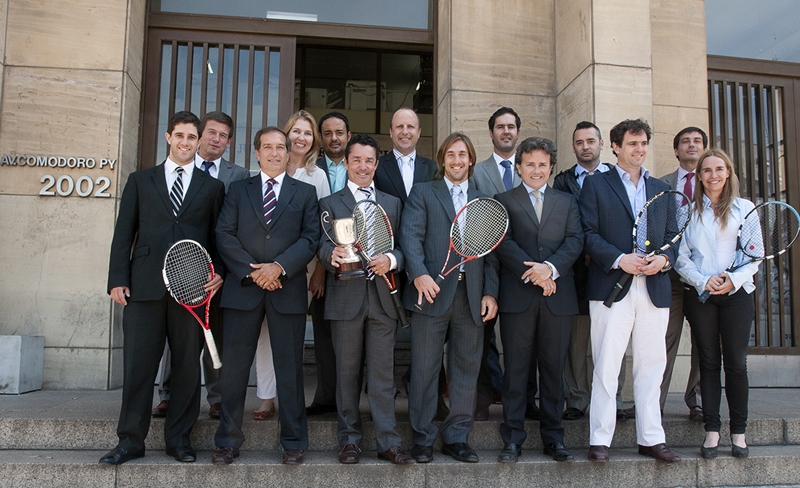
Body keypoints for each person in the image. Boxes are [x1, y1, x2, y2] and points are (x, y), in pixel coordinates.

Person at [101, 111, 226, 465]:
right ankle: (129, 441)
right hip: (144, 289)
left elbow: (218, 239)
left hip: (192, 291)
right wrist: (117, 279)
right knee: (139, 367)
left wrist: (220, 274)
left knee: (187, 368)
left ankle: (179, 440)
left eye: (192, 137)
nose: (186, 142)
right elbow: (123, 233)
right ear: (168, 138)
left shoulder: (212, 187)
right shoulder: (140, 181)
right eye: (180, 136)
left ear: (199, 141)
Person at [212, 126, 320, 465]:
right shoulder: (237, 189)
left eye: (280, 147)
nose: (274, 153)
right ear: (256, 153)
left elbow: (310, 238)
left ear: (289, 154)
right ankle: (227, 441)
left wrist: (278, 268)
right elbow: (224, 233)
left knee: (289, 370)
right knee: (233, 372)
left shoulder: (304, 193)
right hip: (243, 290)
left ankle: (293, 441)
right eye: (267, 147)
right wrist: (254, 271)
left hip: (286, 290)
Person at [580, 118, 681, 463]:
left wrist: (664, 261)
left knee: (652, 366)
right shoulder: (596, 185)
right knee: (607, 366)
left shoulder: (661, 190)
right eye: (632, 144)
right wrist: (619, 258)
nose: (639, 150)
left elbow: (674, 239)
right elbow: (587, 233)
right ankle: (600, 440)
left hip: (654, 287)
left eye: (643, 144)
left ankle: (651, 437)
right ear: (616, 147)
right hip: (611, 286)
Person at [400, 132, 499, 464]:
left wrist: (489, 292)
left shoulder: (485, 201)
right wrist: (419, 274)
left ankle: (457, 438)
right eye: (451, 155)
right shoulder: (423, 193)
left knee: (465, 371)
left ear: (471, 159)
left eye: (463, 155)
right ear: (443, 160)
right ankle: (423, 438)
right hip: (431, 293)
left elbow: (492, 255)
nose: (457, 161)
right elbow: (411, 237)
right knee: (425, 370)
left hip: (470, 297)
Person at [319, 133, 414, 465]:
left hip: (384, 299)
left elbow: (405, 246)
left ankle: (388, 441)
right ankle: (349, 440)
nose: (363, 166)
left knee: (383, 375)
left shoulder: (392, 203)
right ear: (346, 163)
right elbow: (319, 244)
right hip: (346, 298)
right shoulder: (330, 204)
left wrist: (393, 260)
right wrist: (329, 253)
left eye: (369, 160)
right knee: (346, 374)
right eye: (356, 159)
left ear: (376, 164)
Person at [152, 110, 249, 421]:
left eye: (223, 135)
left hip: (219, 271)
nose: (216, 139)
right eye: (211, 132)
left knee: (214, 335)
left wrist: (223, 268)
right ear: (200, 134)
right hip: (182, 267)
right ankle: (168, 395)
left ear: (229, 141)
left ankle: (217, 397)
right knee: (177, 337)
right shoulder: (176, 168)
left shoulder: (239, 176)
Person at [494, 137, 583, 463]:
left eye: (542, 164)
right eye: (529, 164)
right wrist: (535, 273)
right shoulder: (502, 200)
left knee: (552, 371)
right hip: (518, 297)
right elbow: (502, 241)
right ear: (518, 167)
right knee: (516, 372)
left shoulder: (567, 201)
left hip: (557, 297)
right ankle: (512, 440)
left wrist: (551, 269)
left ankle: (554, 439)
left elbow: (576, 240)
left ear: (551, 168)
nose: (536, 170)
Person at [675, 148, 757, 459]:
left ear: (729, 172)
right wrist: (702, 280)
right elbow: (681, 258)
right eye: (707, 170)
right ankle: (712, 431)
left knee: (735, 363)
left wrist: (731, 280)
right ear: (699, 176)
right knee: (707, 363)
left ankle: (739, 432)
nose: (713, 175)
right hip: (702, 296)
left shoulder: (745, 209)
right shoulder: (688, 213)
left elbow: (754, 255)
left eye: (719, 169)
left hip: (737, 295)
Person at [252, 111, 331, 420]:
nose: (301, 138)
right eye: (296, 131)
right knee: (264, 333)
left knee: (289, 335)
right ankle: (266, 397)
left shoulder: (318, 176)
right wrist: (263, 269)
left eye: (308, 133)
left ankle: (290, 399)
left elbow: (323, 229)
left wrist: (321, 272)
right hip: (263, 267)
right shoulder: (266, 168)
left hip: (304, 269)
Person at [553, 121, 613, 421]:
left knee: (612, 337)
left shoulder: (616, 178)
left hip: (612, 270)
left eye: (591, 140)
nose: (585, 146)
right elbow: (561, 224)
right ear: (573, 147)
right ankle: (576, 398)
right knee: (576, 341)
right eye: (579, 142)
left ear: (601, 144)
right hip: (575, 272)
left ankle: (611, 397)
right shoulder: (563, 182)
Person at [470, 106, 523, 421]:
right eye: (500, 127)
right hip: (486, 263)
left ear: (518, 132)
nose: (506, 131)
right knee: (482, 335)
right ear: (491, 133)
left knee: (519, 339)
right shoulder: (478, 172)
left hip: (520, 269)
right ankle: (482, 399)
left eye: (511, 127)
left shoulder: (531, 168)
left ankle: (520, 397)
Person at [305, 111, 352, 416]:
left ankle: (351, 399)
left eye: (339, 132)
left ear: (348, 135)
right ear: (321, 138)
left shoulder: (361, 165)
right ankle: (325, 396)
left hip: (357, 266)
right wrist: (320, 268)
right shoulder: (313, 169)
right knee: (323, 333)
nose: (334, 138)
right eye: (327, 132)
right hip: (322, 260)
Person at [373, 107, 437, 203]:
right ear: (391, 132)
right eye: (399, 126)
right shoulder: (377, 166)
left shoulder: (432, 168)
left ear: (419, 132)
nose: (405, 132)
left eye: (410, 127)